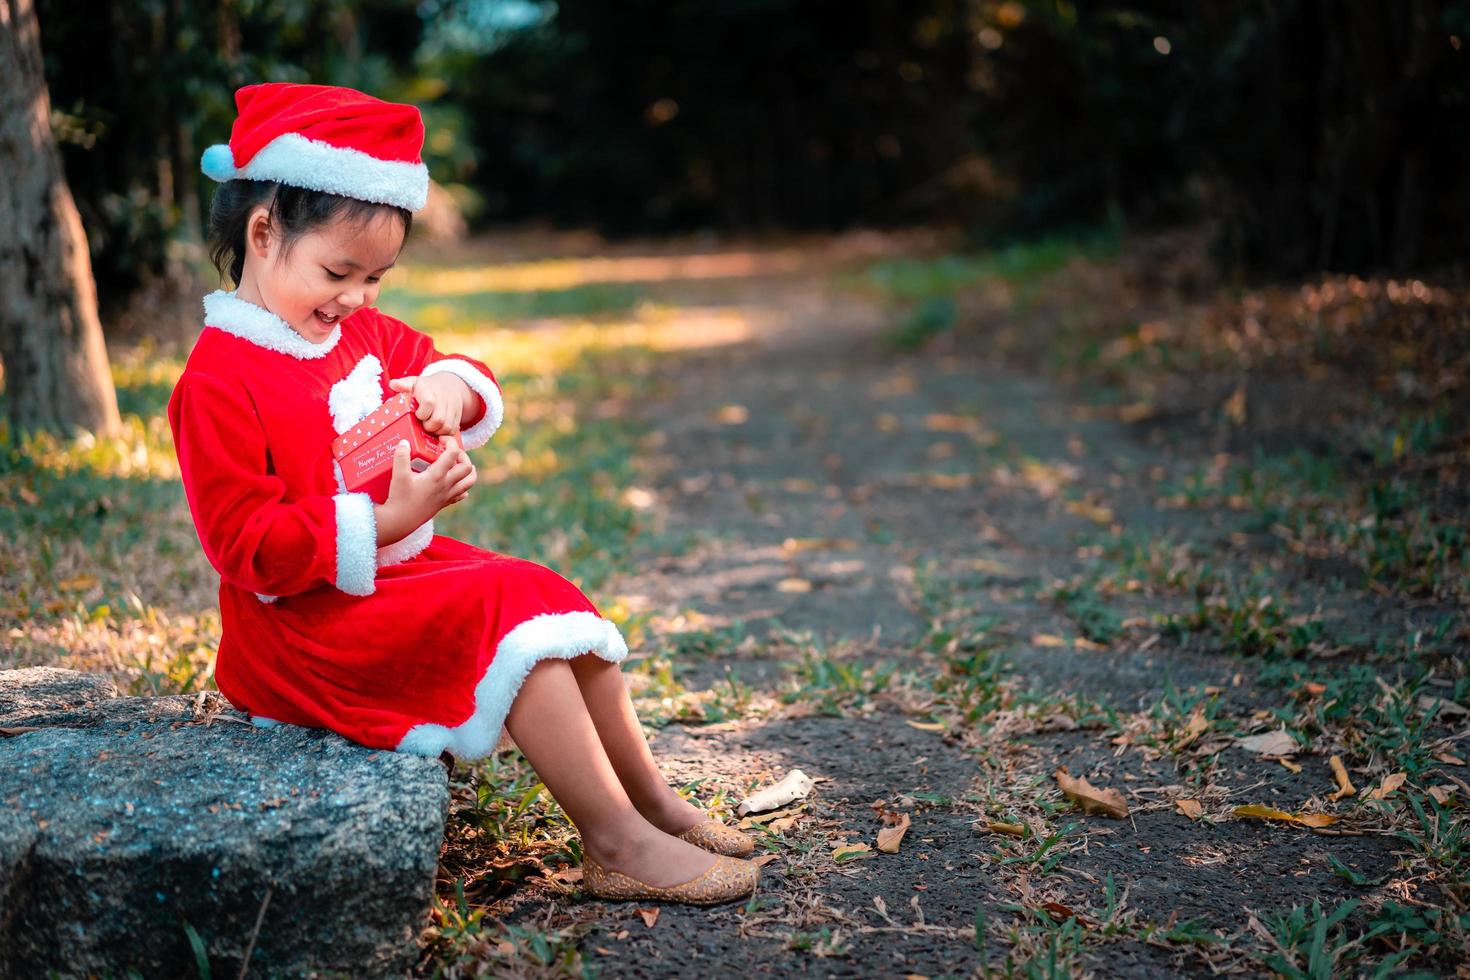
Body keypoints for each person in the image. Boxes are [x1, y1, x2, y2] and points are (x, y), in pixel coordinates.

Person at [167, 82, 757, 905]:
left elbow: (453, 365)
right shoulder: (219, 379)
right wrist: (385, 519)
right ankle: (615, 841)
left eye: (376, 278)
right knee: (502, 616)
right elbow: (245, 546)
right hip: (303, 628)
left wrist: (450, 392)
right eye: (339, 271)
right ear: (263, 232)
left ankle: (649, 799)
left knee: (545, 595)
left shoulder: (356, 329)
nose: (359, 299)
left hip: (384, 577)